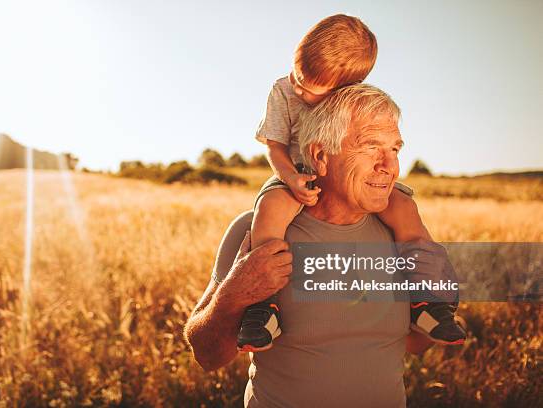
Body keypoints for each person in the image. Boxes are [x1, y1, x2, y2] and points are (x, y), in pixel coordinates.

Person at [185, 84, 464, 407]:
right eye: (371, 147)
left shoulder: (402, 237)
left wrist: (440, 296)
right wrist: (234, 295)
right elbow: (206, 355)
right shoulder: (256, 231)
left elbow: (413, 344)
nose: (389, 166)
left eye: (395, 149)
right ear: (320, 156)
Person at [240, 13, 464, 351]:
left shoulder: (348, 99)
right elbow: (274, 145)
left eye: (311, 89)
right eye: (297, 76)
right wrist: (291, 178)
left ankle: (427, 300)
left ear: (342, 88)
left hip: (337, 176)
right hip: (294, 173)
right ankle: (263, 306)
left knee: (404, 208)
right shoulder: (282, 90)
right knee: (272, 207)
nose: (299, 89)